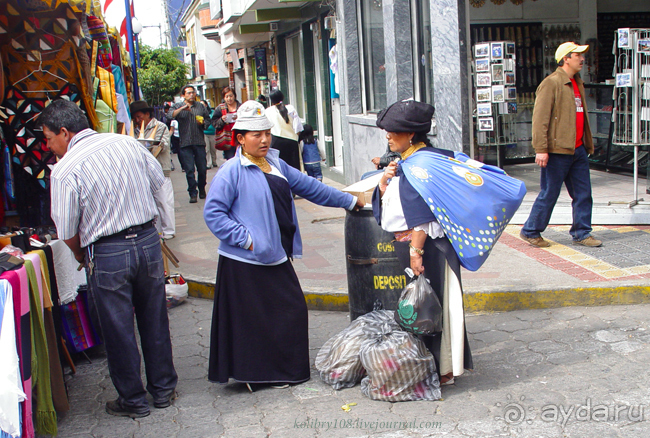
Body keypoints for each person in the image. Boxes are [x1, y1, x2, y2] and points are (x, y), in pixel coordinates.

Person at [203, 101, 363, 390]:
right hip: (246, 261)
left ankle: (278, 372)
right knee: (255, 319)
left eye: (266, 133)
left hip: (276, 255)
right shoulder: (231, 171)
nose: (264, 139)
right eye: (255, 135)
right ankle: (258, 375)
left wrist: (350, 200)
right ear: (240, 138)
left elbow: (310, 187)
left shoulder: (275, 163)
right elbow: (213, 214)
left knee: (285, 312)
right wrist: (247, 240)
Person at [45, 99, 177, 418]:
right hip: (146, 241)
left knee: (118, 329)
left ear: (65, 132)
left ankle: (133, 401)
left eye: (49, 138)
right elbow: (161, 186)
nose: (48, 146)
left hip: (107, 252)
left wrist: (80, 255)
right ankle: (162, 391)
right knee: (154, 318)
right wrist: (162, 231)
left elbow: (65, 228)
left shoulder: (64, 170)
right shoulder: (127, 143)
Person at [371, 99, 473, 386]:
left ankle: (440, 370)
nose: (388, 136)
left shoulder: (423, 163)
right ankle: (432, 367)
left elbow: (424, 214)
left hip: (429, 249)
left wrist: (416, 251)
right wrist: (383, 184)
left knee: (432, 308)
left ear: (411, 134)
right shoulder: (408, 161)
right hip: (414, 246)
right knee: (423, 307)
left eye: (393, 131)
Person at [520, 42, 602, 248]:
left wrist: (585, 144)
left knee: (583, 194)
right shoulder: (552, 83)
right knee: (549, 193)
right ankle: (531, 230)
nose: (582, 59)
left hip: (577, 149)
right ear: (565, 58)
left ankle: (582, 232)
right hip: (557, 151)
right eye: (577, 55)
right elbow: (540, 119)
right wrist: (541, 149)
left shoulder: (577, 82)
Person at [131, 99, 176, 240]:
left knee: (164, 201)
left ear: (147, 114)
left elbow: (161, 145)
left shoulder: (160, 126)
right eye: (135, 117)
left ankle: (169, 231)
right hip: (143, 172)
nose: (138, 120)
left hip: (160, 169)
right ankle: (157, 231)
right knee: (151, 203)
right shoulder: (134, 129)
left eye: (140, 116)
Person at [167, 85, 210, 203]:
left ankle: (201, 188)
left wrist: (203, 123)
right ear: (183, 95)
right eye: (188, 93)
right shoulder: (178, 106)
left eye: (193, 92)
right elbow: (170, 115)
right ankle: (192, 192)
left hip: (199, 141)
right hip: (185, 142)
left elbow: (207, 119)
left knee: (202, 168)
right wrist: (182, 108)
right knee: (189, 170)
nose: (191, 95)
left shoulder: (200, 106)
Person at [266, 89, 303, 171]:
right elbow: (298, 128)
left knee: (279, 168)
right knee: (294, 169)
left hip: (276, 142)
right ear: (282, 97)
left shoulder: (268, 111)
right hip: (292, 142)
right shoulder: (290, 108)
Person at [210, 87, 241, 161]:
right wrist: (222, 120)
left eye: (231, 96)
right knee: (230, 160)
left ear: (234, 96)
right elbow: (214, 123)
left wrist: (239, 118)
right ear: (224, 98)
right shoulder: (220, 108)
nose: (229, 98)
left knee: (241, 159)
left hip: (240, 137)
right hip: (227, 139)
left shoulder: (241, 107)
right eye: (226, 96)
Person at [202, 100, 218, 169]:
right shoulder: (200, 113)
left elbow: (215, 120)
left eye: (203, 104)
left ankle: (214, 161)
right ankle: (208, 163)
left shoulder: (212, 112)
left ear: (206, 105)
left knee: (213, 149)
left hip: (213, 132)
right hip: (204, 133)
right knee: (207, 149)